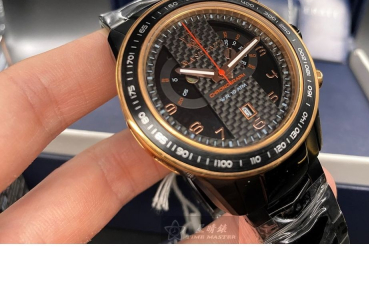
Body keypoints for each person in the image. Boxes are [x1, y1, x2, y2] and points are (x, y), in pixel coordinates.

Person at [0, 29, 337, 244]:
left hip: (291, 147)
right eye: (195, 76)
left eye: (226, 70)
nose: (222, 74)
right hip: (247, 177)